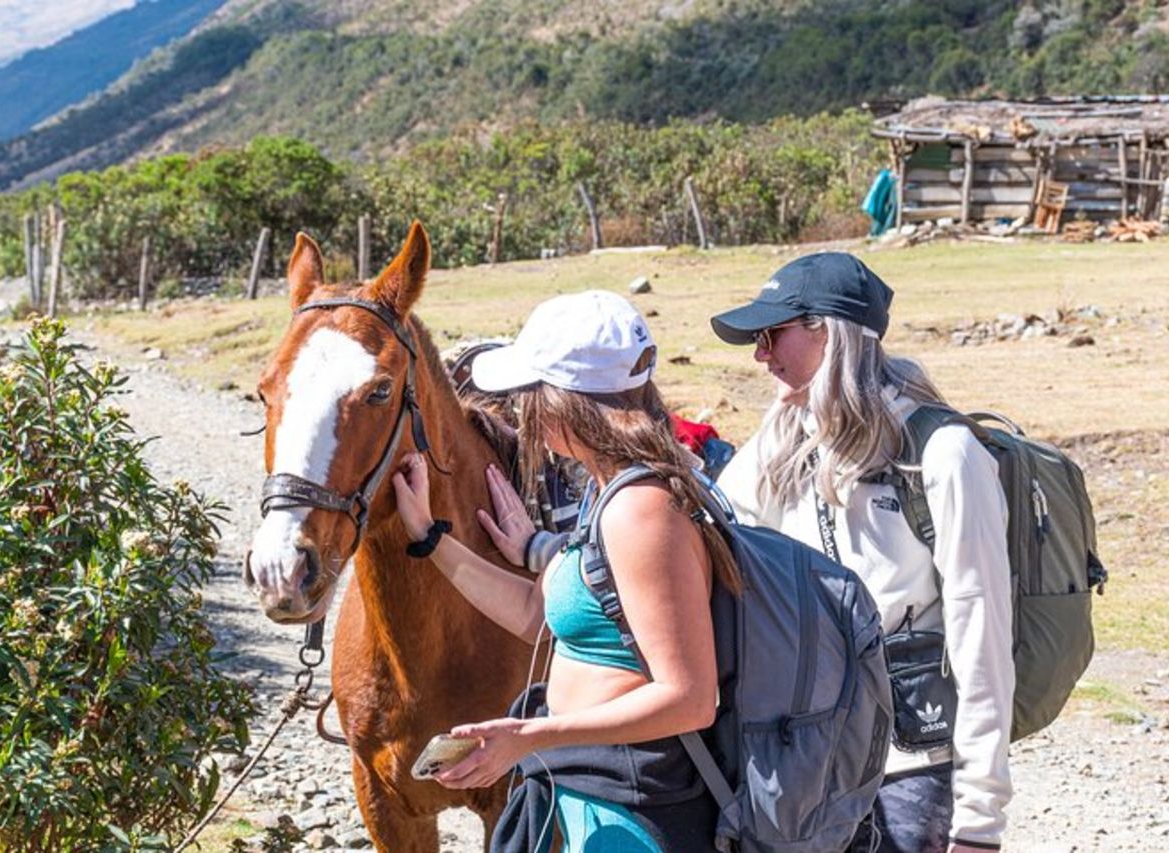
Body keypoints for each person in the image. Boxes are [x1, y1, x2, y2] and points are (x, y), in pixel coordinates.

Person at [391, 289, 740, 853]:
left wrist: (527, 737)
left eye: (528, 392)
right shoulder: (609, 491)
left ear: (562, 399)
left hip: (641, 803)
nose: (521, 409)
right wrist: (432, 539)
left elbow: (688, 698)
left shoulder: (642, 511)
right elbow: (540, 616)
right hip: (599, 787)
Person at [709, 253, 1013, 853]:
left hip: (914, 763)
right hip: (810, 754)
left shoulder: (945, 454)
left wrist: (979, 820)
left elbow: (982, 637)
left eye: (772, 334)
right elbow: (712, 531)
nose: (759, 354)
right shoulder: (782, 442)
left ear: (830, 333)